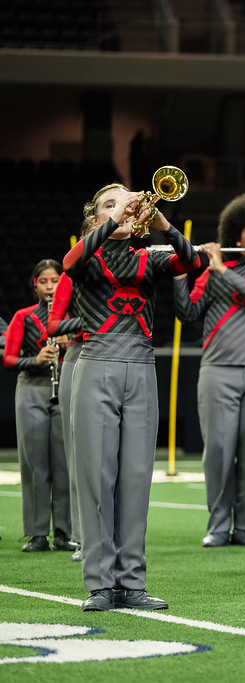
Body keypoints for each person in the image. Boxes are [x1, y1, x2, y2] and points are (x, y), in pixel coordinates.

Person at [64, 182, 200, 610]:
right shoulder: (87, 255)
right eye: (109, 203)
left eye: (125, 201)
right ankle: (100, 585)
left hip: (141, 369)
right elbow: (70, 262)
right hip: (97, 366)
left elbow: (191, 261)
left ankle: (132, 582)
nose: (121, 207)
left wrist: (160, 221)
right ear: (93, 220)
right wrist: (115, 219)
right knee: (96, 480)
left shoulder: (149, 256)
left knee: (137, 481)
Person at [174, 194, 245, 549]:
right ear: (237, 237)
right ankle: (218, 526)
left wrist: (221, 268)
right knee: (218, 450)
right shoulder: (210, 274)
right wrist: (180, 272)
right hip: (217, 370)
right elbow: (188, 313)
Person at [3, 259, 72, 553]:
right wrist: (36, 360)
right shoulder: (24, 316)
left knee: (64, 464)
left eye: (55, 281)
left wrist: (71, 345)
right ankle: (37, 533)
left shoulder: (72, 317)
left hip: (65, 389)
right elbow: (8, 358)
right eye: (44, 281)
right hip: (31, 389)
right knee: (34, 465)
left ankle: (64, 533)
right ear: (36, 284)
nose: (50, 287)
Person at [47, 219, 93, 562]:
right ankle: (83, 536)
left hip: (125, 355)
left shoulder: (133, 264)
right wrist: (92, 320)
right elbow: (54, 324)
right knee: (79, 452)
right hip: (80, 356)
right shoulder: (70, 273)